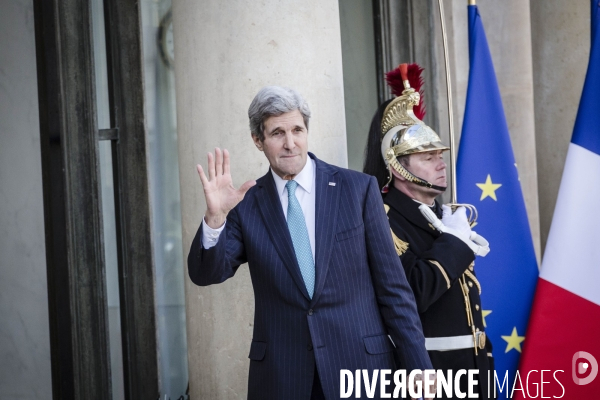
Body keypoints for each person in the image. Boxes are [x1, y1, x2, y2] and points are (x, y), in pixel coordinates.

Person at [188, 86, 434, 400]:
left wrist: (419, 368)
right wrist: (215, 218)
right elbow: (207, 273)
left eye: (297, 130)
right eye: (277, 133)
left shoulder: (357, 190)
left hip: (360, 371)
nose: (290, 143)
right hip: (283, 377)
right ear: (257, 140)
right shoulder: (247, 205)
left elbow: (394, 289)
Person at [363, 64, 494, 399]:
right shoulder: (381, 219)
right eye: (427, 157)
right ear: (397, 166)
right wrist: (453, 243)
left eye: (440, 155)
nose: (441, 163)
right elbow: (412, 292)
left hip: (475, 369)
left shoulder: (443, 216)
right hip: (428, 376)